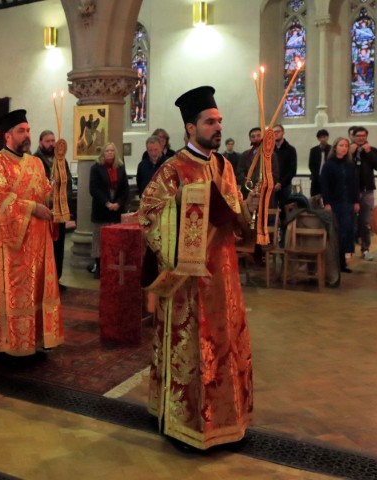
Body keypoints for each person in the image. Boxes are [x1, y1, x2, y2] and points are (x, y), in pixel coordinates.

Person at [139, 86, 253, 450]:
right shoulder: (172, 169)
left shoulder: (224, 166)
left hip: (223, 276)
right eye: (210, 122)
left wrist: (247, 209)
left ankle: (225, 420)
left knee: (224, 345)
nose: (218, 127)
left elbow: (234, 214)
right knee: (193, 351)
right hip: (189, 282)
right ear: (191, 128)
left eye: (219, 121)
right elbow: (148, 216)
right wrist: (182, 201)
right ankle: (184, 424)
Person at [0, 109, 63, 356]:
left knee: (38, 290)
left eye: (28, 130)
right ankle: (13, 344)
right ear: (8, 135)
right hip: (14, 246)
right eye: (21, 131)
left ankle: (36, 340)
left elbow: (45, 193)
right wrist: (32, 208)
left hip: (39, 242)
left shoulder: (36, 163)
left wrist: (57, 191)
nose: (26, 135)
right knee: (17, 293)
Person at [33, 130, 74, 290]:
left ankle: (56, 279)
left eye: (53, 140)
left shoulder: (61, 159)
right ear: (40, 142)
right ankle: (43, 281)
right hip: (44, 211)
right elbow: (35, 185)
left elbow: (68, 182)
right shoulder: (35, 160)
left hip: (60, 210)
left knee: (59, 246)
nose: (51, 144)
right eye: (48, 141)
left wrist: (64, 201)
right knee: (45, 248)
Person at [88, 142, 129, 278]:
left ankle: (113, 268)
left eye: (112, 150)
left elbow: (125, 189)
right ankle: (99, 269)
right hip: (101, 209)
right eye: (107, 151)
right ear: (103, 153)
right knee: (100, 241)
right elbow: (94, 189)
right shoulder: (96, 168)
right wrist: (107, 203)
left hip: (117, 210)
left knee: (115, 241)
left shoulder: (120, 167)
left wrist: (118, 203)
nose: (110, 153)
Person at [320, 138, 359, 274]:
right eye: (341, 145)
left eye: (346, 146)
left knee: (347, 232)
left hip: (348, 202)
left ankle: (343, 262)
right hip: (335, 203)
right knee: (337, 233)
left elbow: (355, 184)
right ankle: (335, 263)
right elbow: (325, 185)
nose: (344, 148)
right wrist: (327, 203)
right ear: (335, 147)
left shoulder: (350, 165)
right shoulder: (329, 165)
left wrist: (356, 201)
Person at [349, 126, 377, 260]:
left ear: (367, 137)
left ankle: (365, 249)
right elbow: (343, 166)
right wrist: (351, 154)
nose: (361, 138)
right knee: (350, 221)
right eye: (358, 136)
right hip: (351, 191)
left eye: (363, 136)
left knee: (365, 222)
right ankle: (349, 249)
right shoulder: (347, 149)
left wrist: (369, 152)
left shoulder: (372, 150)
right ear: (353, 137)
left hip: (367, 190)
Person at [237, 127, 280, 200]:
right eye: (253, 136)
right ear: (250, 139)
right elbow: (240, 172)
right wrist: (247, 185)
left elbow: (275, 174)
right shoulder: (245, 155)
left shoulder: (271, 155)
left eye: (258, 136)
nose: (256, 139)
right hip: (248, 193)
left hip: (266, 194)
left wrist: (264, 186)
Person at [273, 124, 297, 208]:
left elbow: (292, 170)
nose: (276, 133)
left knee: (284, 210)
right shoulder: (269, 150)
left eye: (278, 131)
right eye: (274, 132)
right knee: (272, 210)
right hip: (272, 185)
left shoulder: (290, 149)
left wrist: (281, 183)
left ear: (283, 133)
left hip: (285, 185)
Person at [308, 129, 331, 197]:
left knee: (328, 197)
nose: (323, 139)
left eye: (324, 137)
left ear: (327, 137)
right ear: (318, 139)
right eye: (321, 137)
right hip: (316, 178)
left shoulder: (332, 149)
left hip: (329, 178)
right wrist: (316, 175)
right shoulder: (313, 150)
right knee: (315, 197)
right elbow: (311, 164)